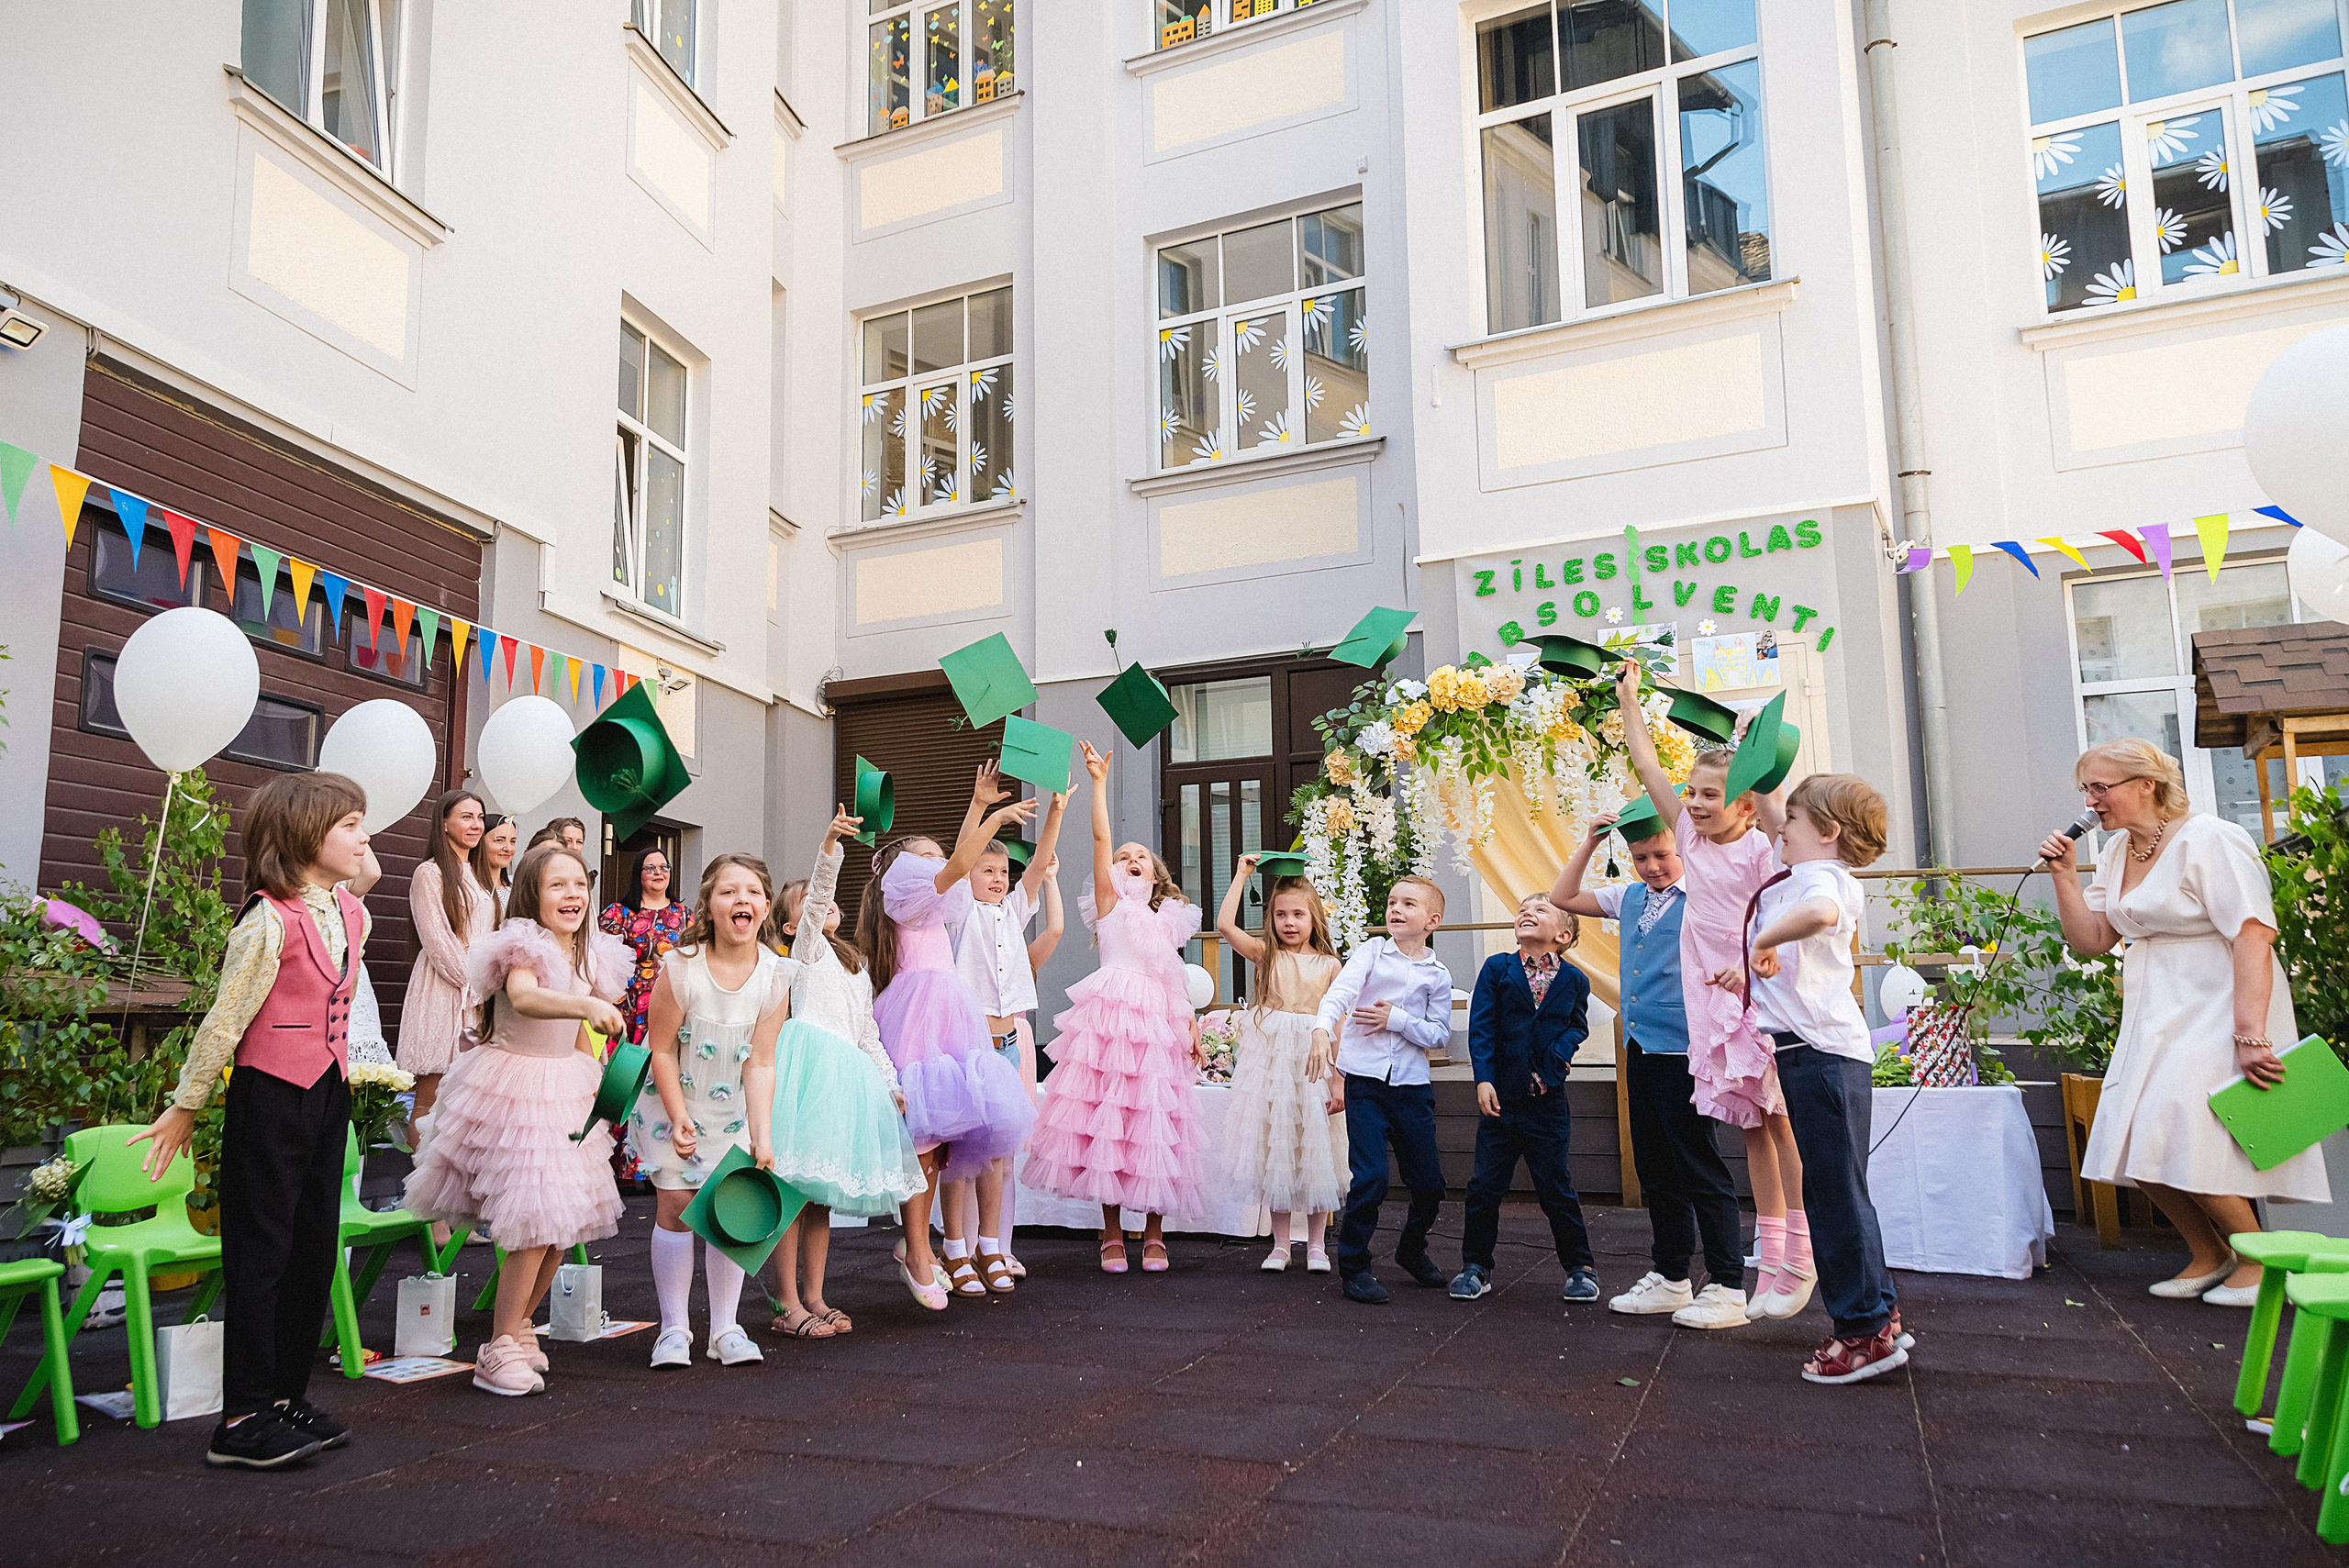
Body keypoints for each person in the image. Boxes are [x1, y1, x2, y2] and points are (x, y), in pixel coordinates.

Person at [132, 773, 371, 1470]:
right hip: (270, 1095)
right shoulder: (267, 920)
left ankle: (286, 1396)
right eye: (351, 824)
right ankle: (241, 1413)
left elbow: (364, 867)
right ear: (303, 835)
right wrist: (187, 1103)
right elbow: (224, 1019)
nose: (365, 838)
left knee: (312, 1249)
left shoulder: (347, 911)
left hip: (329, 1094)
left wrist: (347, 824)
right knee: (261, 1255)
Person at [2039, 738, 2321, 1307]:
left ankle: (2257, 1261)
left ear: (2146, 785)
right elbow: (2092, 942)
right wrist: (2065, 877)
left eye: (2102, 787)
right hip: (2157, 1003)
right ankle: (2207, 1253)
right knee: (2132, 1130)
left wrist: (2250, 1031)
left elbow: (2253, 933)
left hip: (2219, 997)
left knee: (2187, 1128)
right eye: (2086, 790)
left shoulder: (2209, 837)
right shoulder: (2118, 853)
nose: (2092, 801)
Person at [1615, 662, 1810, 1318]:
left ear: (1745, 803)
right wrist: (1631, 701)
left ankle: (1798, 1258)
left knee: (1781, 1122)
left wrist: (1758, 750)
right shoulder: (1692, 841)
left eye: (1710, 794)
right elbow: (1646, 766)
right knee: (1750, 1123)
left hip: (1756, 988)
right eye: (1692, 792)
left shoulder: (1760, 846)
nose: (1695, 803)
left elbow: (1786, 857)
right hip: (1712, 1000)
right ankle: (1766, 1260)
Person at [403, 842, 629, 1395]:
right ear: (531, 891)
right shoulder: (522, 945)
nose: (572, 894)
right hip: (515, 1089)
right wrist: (588, 1008)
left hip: (564, 1091)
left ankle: (521, 1325)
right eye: (557, 885)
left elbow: (580, 1039)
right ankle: (497, 1344)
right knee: (531, 1221)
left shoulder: (586, 952)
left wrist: (605, 1079)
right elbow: (526, 1000)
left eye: (579, 884)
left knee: (560, 1226)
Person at [1720, 773, 1907, 1385]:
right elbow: (1777, 811)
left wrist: (1765, 939)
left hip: (1821, 1057)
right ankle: (1877, 1318)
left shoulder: (1822, 880)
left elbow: (1821, 912)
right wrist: (1757, 761)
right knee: (1844, 1191)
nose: (1780, 831)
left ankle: (1860, 1332)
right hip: (1816, 1053)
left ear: (1825, 832)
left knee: (1833, 1196)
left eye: (1793, 824)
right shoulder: (1804, 867)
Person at [1553, 810, 1748, 1329]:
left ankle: (1728, 1282)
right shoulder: (1630, 896)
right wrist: (1592, 843)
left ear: (1683, 850)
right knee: (1656, 1165)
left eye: (1662, 855)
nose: (1652, 866)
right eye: (1641, 858)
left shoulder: (1702, 894)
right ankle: (1671, 1274)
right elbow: (1562, 898)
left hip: (1685, 1047)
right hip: (1641, 1045)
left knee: (1698, 1164)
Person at [856, 764, 1040, 1308]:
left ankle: (928, 1245)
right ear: (902, 868)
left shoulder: (933, 899)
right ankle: (918, 1248)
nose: (940, 862)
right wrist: (988, 811)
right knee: (922, 1139)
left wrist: (980, 807)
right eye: (927, 856)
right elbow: (961, 861)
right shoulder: (905, 894)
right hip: (920, 1015)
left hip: (949, 1014)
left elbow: (958, 864)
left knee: (941, 1145)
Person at [1026, 743, 1206, 1273]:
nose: (1130, 860)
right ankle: (1110, 1232)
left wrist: (1190, 1025)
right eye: (1124, 857)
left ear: (1155, 875)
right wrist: (1099, 783)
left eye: (1140, 858)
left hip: (1156, 1019)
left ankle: (1153, 1232)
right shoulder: (1109, 904)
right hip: (1110, 1015)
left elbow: (1174, 977)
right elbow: (1101, 837)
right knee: (1107, 1116)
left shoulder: (1170, 917)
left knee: (1151, 1118)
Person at [759, 808, 929, 1340]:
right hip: (810, 1074)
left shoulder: (854, 965)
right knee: (792, 1191)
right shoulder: (803, 953)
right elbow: (814, 904)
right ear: (792, 924)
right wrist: (829, 846)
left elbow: (868, 1035)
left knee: (822, 1200)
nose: (823, 903)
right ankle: (786, 1301)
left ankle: (815, 1294)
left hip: (847, 1078)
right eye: (809, 902)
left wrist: (890, 1082)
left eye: (828, 897)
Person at [631, 855, 793, 1370]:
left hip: (733, 1111)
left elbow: (762, 1062)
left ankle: (725, 1327)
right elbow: (661, 1050)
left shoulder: (774, 976)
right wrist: (678, 1115)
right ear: (709, 906)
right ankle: (673, 1329)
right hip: (674, 1100)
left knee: (729, 1214)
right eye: (728, 892)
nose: (740, 900)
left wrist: (762, 1134)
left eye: (751, 892)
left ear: (765, 907)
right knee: (676, 1207)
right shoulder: (680, 968)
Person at [943, 790, 1071, 1295]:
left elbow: (1039, 866)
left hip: (1008, 1044)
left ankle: (992, 1245)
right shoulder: (958, 914)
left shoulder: (1013, 913)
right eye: (987, 870)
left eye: (1002, 873)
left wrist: (1056, 814)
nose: (998, 879)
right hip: (969, 1044)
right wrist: (982, 812)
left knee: (998, 1152)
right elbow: (957, 860)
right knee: (962, 1153)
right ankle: (956, 1248)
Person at [1313, 875, 1455, 1306]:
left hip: (1411, 1088)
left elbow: (1439, 1035)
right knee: (1371, 1177)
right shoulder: (1372, 952)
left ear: (1431, 920)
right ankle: (1354, 1266)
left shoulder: (1438, 973)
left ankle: (1411, 1249)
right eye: (1392, 901)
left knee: (1429, 1185)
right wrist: (1322, 1029)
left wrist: (1398, 1020)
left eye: (1407, 904)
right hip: (1366, 1083)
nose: (1395, 908)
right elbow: (1339, 994)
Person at [1449, 894, 1598, 1304]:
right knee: (1484, 1186)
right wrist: (1483, 1079)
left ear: (1563, 934)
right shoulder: (1498, 968)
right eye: (1523, 910)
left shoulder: (1574, 980)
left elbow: (1576, 1026)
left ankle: (1580, 1268)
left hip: (1547, 1101)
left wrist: (1560, 1055)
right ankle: (1475, 1266)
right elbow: (1481, 1027)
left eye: (1541, 910)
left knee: (1556, 1187)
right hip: (1501, 1098)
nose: (1527, 913)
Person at [1216, 857, 1343, 1273]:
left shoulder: (1329, 966)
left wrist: (1338, 1079)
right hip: (1272, 1061)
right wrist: (1241, 877)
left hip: (1311, 1061)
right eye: (1280, 914)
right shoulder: (1267, 955)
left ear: (1314, 918)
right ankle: (1281, 1244)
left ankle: (1318, 1245)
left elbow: (1338, 1026)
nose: (1289, 922)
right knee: (1278, 1146)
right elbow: (1225, 928)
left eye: (1298, 914)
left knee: (1314, 1146)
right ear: (1271, 918)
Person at [396, 790, 494, 1145]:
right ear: (445, 823)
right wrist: (475, 984)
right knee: (431, 1100)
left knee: (469, 1102)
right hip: (445, 989)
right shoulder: (430, 873)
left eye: (480, 817)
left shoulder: (481, 876)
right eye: (466, 816)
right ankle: (417, 1192)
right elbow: (437, 940)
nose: (475, 824)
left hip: (479, 993)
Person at [600, 847, 690, 1048]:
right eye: (650, 868)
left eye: (664, 867)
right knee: (626, 1070)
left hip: (671, 1002)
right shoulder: (618, 914)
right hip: (628, 1005)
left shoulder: (685, 916)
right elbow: (601, 963)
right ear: (638, 875)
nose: (658, 872)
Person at [473, 814, 518, 919]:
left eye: (512, 842)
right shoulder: (468, 886)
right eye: (499, 840)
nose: (508, 848)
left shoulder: (514, 892)